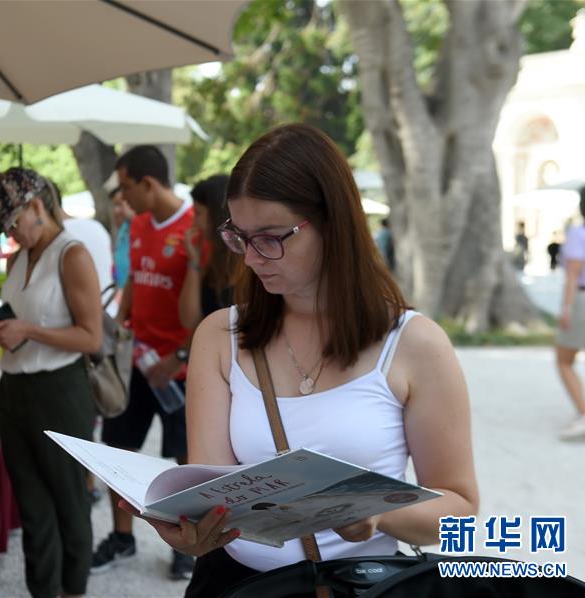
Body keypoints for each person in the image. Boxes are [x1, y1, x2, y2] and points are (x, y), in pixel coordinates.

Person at [119, 124, 479, 597]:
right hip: (237, 585)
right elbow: (208, 487)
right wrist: (192, 528)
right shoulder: (220, 336)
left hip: (362, 584)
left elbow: (462, 512)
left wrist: (373, 512)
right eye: (238, 236)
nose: (251, 258)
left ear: (332, 222)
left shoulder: (414, 344)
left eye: (270, 237)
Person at [0, 167, 102, 598]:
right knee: (32, 507)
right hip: (15, 392)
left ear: (36, 206)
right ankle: (43, 590)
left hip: (60, 391)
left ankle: (73, 589)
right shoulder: (19, 258)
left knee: (69, 501)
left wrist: (29, 331)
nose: (11, 233)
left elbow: (91, 336)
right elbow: (18, 319)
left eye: (13, 222)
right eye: (5, 226)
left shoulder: (72, 253)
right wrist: (1, 334)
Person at [93, 145, 196, 580]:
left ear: (148, 183)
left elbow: (202, 305)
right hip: (136, 362)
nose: (123, 196)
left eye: (126, 186)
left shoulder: (194, 228)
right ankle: (122, 537)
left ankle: (188, 546)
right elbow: (134, 282)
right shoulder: (134, 226)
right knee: (118, 450)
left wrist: (178, 357)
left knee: (187, 462)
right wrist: (117, 330)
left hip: (181, 370)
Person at [555, 184, 585, 441]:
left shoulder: (579, 234)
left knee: (564, 360)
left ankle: (584, 416)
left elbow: (572, 275)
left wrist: (566, 308)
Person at [180, 174, 234, 331]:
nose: (194, 222)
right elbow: (189, 320)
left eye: (198, 213)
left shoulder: (244, 262)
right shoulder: (212, 259)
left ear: (216, 214)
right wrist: (193, 262)